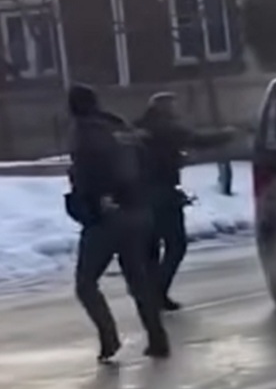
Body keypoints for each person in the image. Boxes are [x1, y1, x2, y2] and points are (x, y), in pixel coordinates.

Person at [65, 84, 170, 361]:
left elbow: (87, 174)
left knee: (86, 283)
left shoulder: (84, 133)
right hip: (139, 211)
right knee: (138, 280)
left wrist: (94, 200)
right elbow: (147, 161)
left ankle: (109, 338)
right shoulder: (120, 127)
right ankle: (158, 339)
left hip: (108, 216)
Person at [135, 92, 235, 311]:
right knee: (176, 244)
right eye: (172, 105)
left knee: (151, 247)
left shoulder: (140, 127)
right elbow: (197, 139)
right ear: (163, 108)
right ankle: (157, 292)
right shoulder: (166, 128)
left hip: (140, 195)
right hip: (163, 194)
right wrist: (227, 134)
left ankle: (152, 293)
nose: (175, 109)